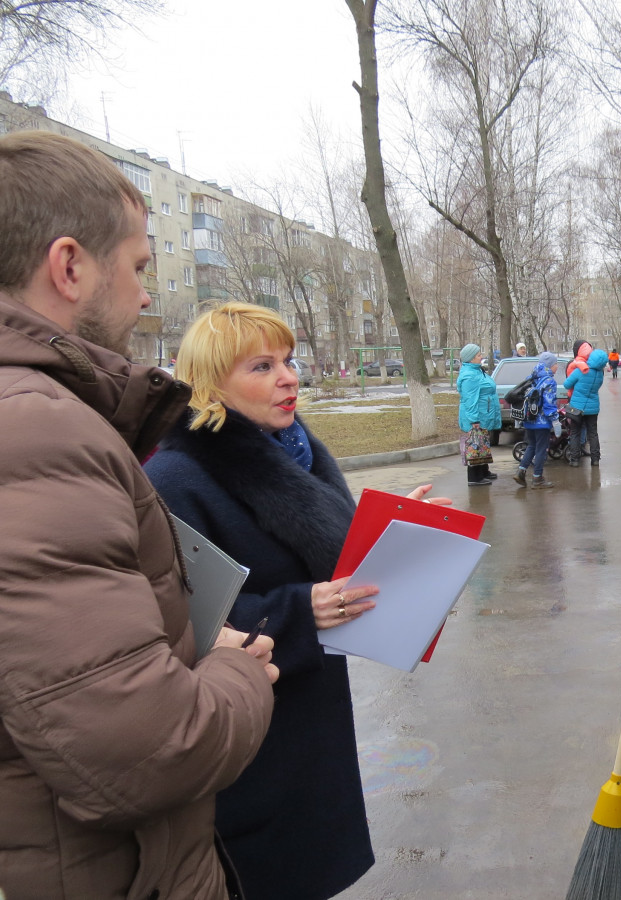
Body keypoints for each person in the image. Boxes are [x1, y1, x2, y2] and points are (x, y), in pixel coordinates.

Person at [0, 131, 276, 899]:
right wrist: (233, 671)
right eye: (139, 266)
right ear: (69, 266)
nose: (147, 295)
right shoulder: (35, 430)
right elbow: (144, 750)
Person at [145, 302, 451, 900]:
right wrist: (295, 611)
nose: (290, 376)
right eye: (262, 366)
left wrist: (392, 539)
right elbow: (175, 622)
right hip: (245, 740)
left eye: (288, 360)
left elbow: (324, 561)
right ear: (210, 384)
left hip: (311, 718)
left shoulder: (294, 452)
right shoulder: (175, 478)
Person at [514, 351, 561, 489]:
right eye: (556, 364)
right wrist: (555, 421)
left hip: (529, 419)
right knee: (541, 449)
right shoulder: (549, 381)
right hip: (542, 422)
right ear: (550, 365)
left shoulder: (532, 377)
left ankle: (521, 472)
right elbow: (549, 403)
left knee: (531, 446)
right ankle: (538, 478)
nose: (557, 366)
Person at [456, 342, 501, 486]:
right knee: (475, 445)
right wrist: (474, 419)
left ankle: (483, 471)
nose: (481, 357)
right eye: (478, 355)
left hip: (483, 413)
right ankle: (475, 477)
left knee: (482, 443)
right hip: (476, 416)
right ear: (471, 358)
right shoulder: (470, 375)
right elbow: (470, 400)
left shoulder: (476, 370)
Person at [563, 345, 608, 466]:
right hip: (593, 408)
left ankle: (575, 460)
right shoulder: (600, 374)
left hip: (577, 407)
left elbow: (567, 384)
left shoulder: (581, 371)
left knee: (575, 432)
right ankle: (595, 459)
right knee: (592, 433)